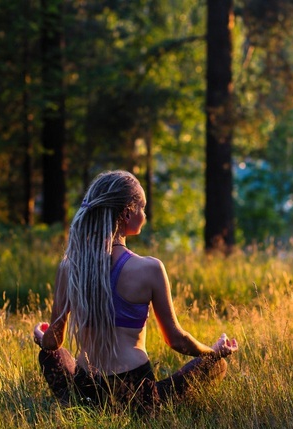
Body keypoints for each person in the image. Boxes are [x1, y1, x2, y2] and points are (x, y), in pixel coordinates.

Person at [33, 170, 239, 413]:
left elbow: (53, 342)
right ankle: (151, 407)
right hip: (135, 392)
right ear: (127, 213)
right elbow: (175, 340)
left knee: (49, 356)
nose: (145, 215)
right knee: (216, 365)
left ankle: (82, 405)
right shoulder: (149, 268)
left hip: (87, 388)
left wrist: (41, 336)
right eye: (142, 208)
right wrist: (212, 352)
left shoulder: (70, 267)